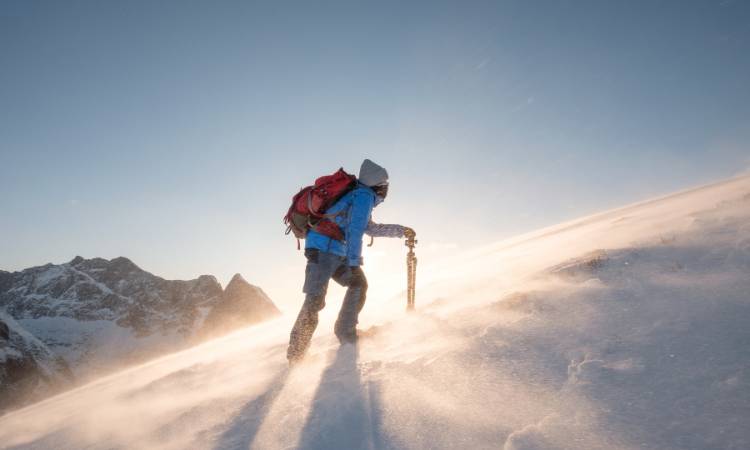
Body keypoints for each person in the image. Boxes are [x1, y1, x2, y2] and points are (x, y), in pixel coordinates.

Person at [287, 159, 415, 364]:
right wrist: (354, 262)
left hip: (333, 250)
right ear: (379, 185)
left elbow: (369, 227)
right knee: (315, 299)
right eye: (385, 185)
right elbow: (355, 232)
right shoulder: (363, 196)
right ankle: (297, 353)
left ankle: (345, 331)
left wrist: (402, 231)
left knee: (356, 285)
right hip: (324, 250)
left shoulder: (359, 196)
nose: (386, 189)